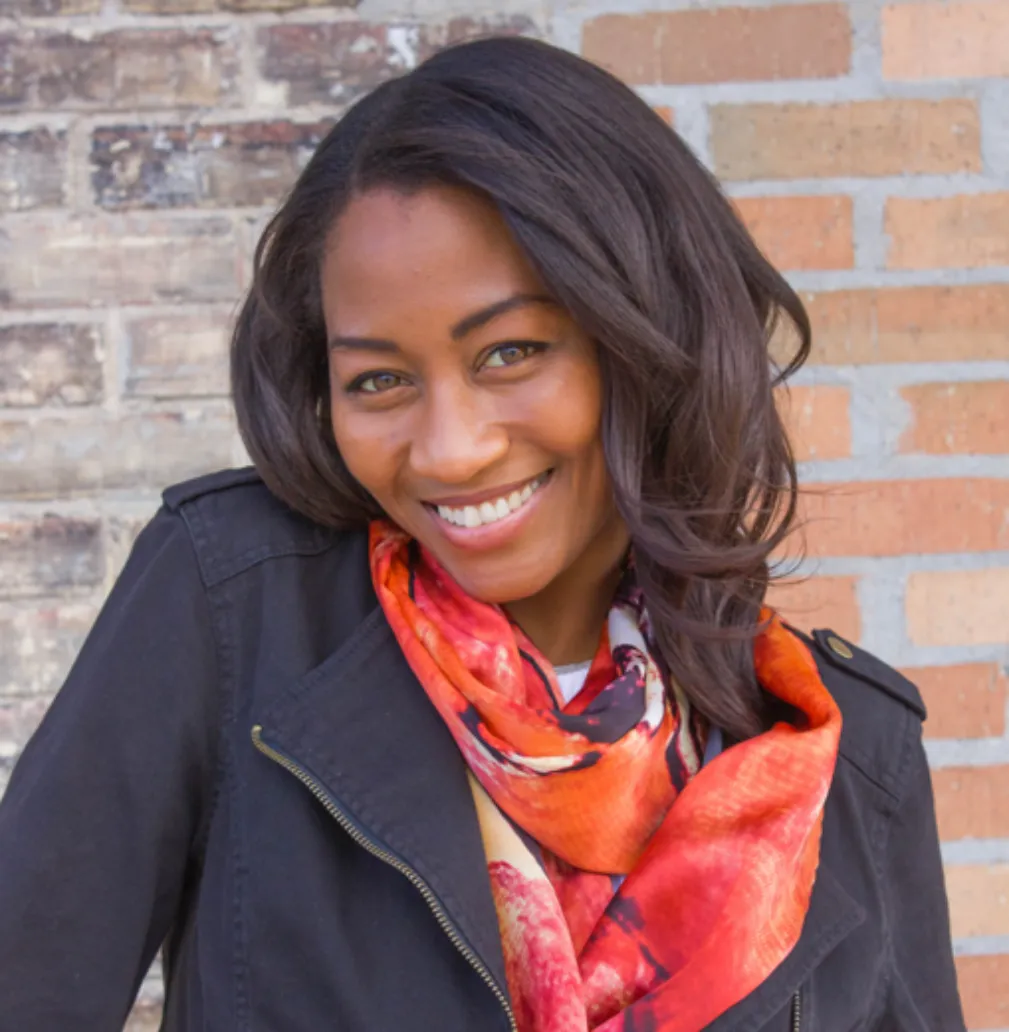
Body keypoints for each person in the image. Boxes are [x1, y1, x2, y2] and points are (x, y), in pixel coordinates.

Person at [0, 35, 963, 1032]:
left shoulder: (842, 760)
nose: (450, 451)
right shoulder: (235, 608)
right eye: (378, 379)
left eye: (511, 352)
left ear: (644, 340)